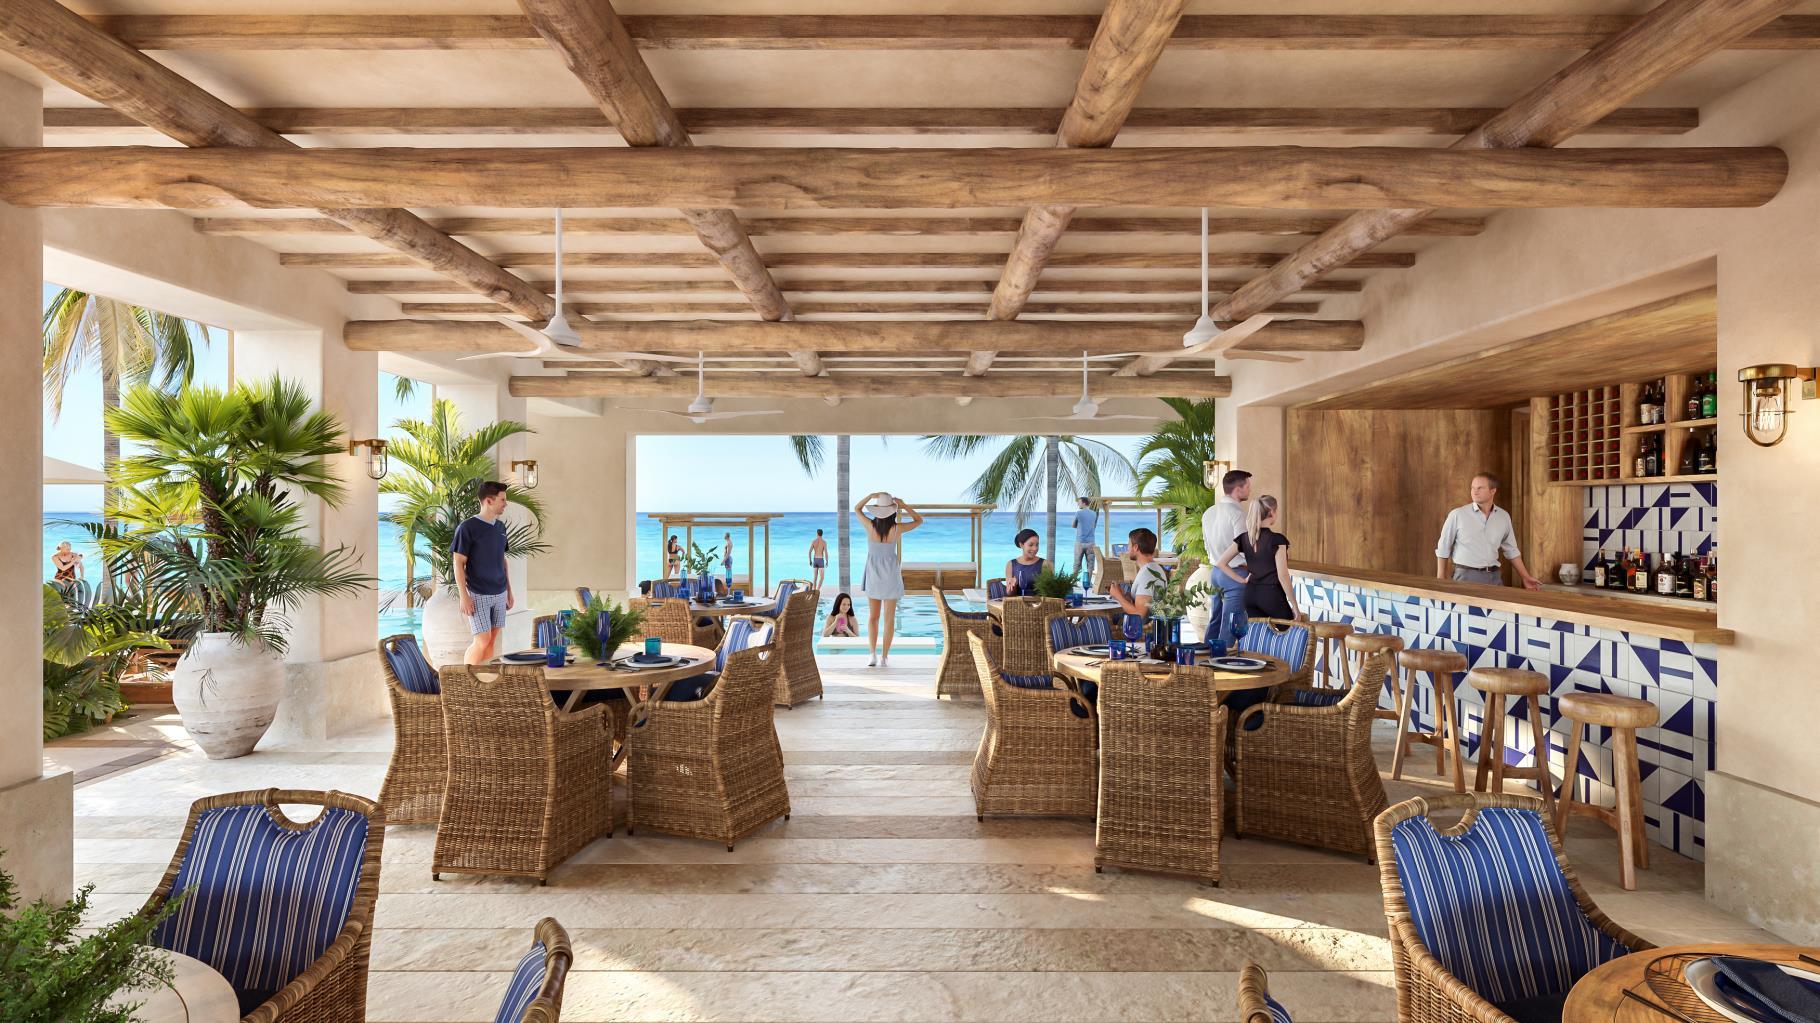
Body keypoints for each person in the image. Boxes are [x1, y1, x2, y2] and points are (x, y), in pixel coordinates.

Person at [1435, 472, 1541, 589]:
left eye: (1480, 488)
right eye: (1473, 488)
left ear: (1493, 491)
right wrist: (1441, 578)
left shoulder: (1503, 516)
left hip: (1494, 577)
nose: (1475, 492)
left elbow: (1511, 550)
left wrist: (1525, 577)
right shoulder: (1457, 514)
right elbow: (1443, 547)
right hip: (1466, 576)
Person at [856, 491, 924, 668]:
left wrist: (870, 496)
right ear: (892, 511)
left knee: (873, 617)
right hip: (891, 576)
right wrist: (904, 505)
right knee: (889, 619)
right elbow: (919, 520)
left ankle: (872, 655)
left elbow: (857, 509)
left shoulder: (870, 526)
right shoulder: (896, 529)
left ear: (877, 511)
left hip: (873, 574)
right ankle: (884, 657)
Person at [452, 481, 514, 665]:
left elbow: (502, 560)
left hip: (500, 592)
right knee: (482, 640)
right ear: (489, 501)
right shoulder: (467, 528)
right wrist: (464, 596)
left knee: (492, 639)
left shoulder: (500, 527)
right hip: (478, 593)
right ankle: (466, 678)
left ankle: (484, 677)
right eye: (502, 500)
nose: (505, 504)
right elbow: (458, 562)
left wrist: (509, 591)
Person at [1215, 494, 1298, 620]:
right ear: (1271, 512)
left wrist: (1243, 581)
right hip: (1271, 596)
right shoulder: (1277, 540)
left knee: (1258, 632)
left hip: (1250, 595)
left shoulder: (1244, 538)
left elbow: (1221, 563)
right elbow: (1283, 576)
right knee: (1289, 631)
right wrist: (1295, 605)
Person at [1200, 469, 1253, 642]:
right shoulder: (1238, 515)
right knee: (1230, 627)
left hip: (1216, 573)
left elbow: (1207, 546)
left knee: (1215, 622)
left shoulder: (1208, 513)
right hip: (1235, 574)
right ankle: (1223, 659)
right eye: (1247, 486)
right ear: (1238, 489)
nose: (1250, 490)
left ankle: (1206, 657)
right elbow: (1243, 548)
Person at [1110, 527, 1169, 639]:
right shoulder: (1154, 568)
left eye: (1129, 545)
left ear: (1136, 547)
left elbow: (1139, 615)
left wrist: (1118, 596)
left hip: (1139, 632)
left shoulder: (1148, 574)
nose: (1127, 549)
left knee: (1098, 621)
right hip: (1149, 628)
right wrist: (1126, 596)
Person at [1002, 528, 1047, 596]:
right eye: (1031, 545)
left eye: (1037, 545)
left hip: (1040, 602)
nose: (1035, 548)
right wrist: (1014, 586)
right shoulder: (1011, 564)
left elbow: (1050, 593)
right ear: (1021, 545)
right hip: (1018, 602)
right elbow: (1010, 594)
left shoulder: (1045, 564)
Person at [1069, 497, 1099, 576]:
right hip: (1091, 542)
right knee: (1090, 564)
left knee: (1076, 563)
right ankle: (1089, 581)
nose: (1078, 504)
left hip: (1080, 542)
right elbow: (1092, 525)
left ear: (1084, 503)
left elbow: (1073, 525)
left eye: (1079, 502)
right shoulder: (1094, 514)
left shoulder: (1078, 513)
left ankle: (1074, 581)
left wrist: (1079, 526)